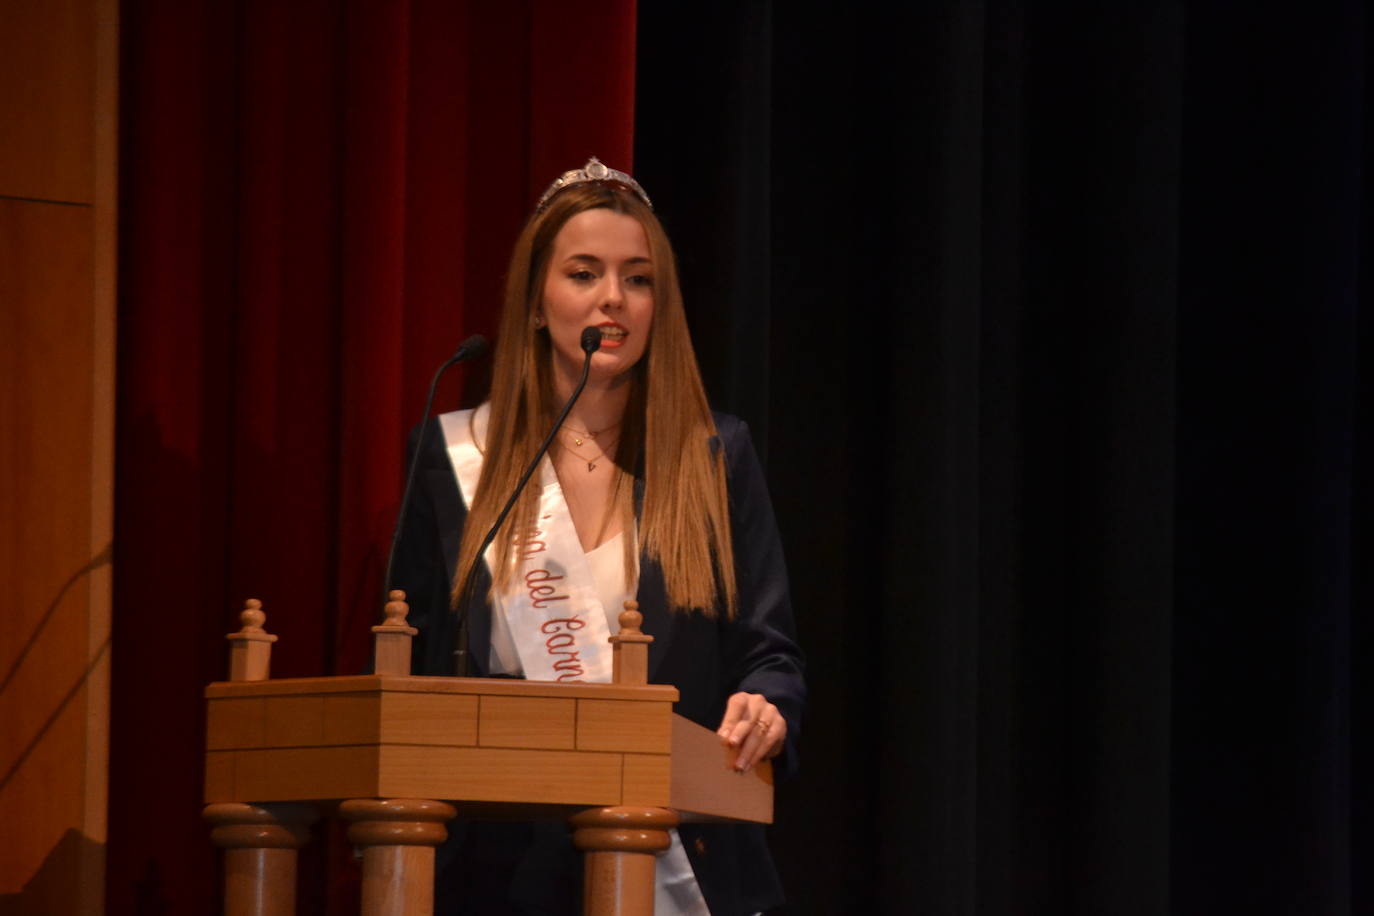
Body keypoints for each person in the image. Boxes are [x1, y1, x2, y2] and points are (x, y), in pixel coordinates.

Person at [392, 158, 805, 915]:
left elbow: (769, 652)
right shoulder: (453, 464)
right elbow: (404, 666)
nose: (614, 298)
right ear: (538, 304)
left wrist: (766, 702)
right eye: (585, 273)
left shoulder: (715, 455)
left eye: (638, 279)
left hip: (679, 857)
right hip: (500, 872)